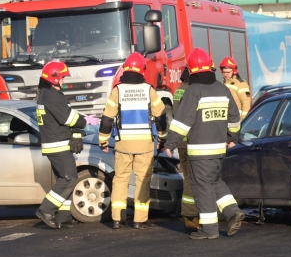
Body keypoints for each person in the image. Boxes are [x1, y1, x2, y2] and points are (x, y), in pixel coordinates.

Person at [164, 48, 245, 240]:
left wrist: (170, 143)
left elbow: (182, 121)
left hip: (200, 150)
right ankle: (233, 211)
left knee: (203, 187)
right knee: (215, 181)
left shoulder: (194, 90)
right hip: (219, 149)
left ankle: (209, 230)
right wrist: (233, 137)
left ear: (191, 70)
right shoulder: (222, 89)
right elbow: (234, 117)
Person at [98, 53, 167, 229]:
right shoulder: (148, 90)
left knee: (120, 180)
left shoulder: (117, 91)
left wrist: (103, 141)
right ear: (142, 70)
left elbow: (107, 119)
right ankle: (139, 220)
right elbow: (160, 116)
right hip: (144, 144)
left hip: (123, 145)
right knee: (142, 180)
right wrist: (162, 138)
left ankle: (117, 219)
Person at [34, 61, 88, 229]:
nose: (64, 81)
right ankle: (46, 209)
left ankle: (63, 217)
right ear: (54, 79)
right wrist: (83, 121)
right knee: (69, 178)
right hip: (58, 144)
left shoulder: (45, 94)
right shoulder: (52, 96)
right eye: (62, 77)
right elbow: (69, 119)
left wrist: (77, 132)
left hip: (56, 143)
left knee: (63, 179)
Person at [172, 68, 200, 232]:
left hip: (181, 140)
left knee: (188, 177)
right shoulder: (192, 90)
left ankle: (190, 215)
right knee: (192, 178)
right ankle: (190, 217)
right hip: (191, 139)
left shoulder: (178, 91)